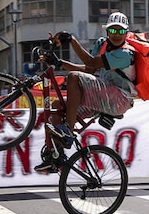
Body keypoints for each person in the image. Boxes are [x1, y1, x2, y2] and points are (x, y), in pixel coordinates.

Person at [35, 12, 137, 172]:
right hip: (101, 95)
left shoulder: (126, 54)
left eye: (121, 31)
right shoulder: (102, 44)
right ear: (107, 31)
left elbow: (89, 62)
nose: (117, 35)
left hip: (119, 99)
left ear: (127, 32)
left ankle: (67, 130)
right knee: (57, 105)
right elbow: (89, 69)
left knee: (74, 78)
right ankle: (55, 156)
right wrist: (59, 62)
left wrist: (71, 40)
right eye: (113, 31)